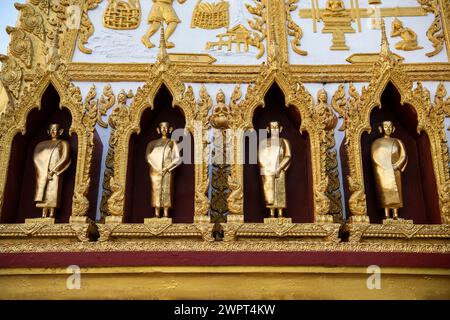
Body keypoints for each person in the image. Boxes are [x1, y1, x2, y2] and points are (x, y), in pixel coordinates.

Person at [371, 121, 408, 220]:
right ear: (381, 128)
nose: (388, 129)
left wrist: (397, 165)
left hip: (395, 170)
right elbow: (374, 157)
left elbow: (403, 156)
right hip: (382, 171)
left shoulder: (398, 141)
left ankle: (395, 214)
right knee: (384, 191)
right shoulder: (377, 142)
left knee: (397, 191)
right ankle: (386, 214)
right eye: (385, 126)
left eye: (390, 127)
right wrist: (383, 167)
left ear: (393, 128)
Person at [33, 123, 71, 218]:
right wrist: (44, 171)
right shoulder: (41, 145)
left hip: (56, 172)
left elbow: (65, 158)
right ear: (48, 131)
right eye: (52, 130)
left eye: (55, 129)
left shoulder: (63, 143)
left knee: (53, 192)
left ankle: (51, 214)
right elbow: (36, 158)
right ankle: (43, 213)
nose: (53, 132)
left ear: (60, 131)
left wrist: (53, 171)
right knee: (43, 191)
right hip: (43, 172)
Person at [146, 122, 181, 218]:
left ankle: (166, 213)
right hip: (155, 171)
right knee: (155, 189)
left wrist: (167, 168)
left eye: (166, 127)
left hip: (167, 170)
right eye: (162, 127)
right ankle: (156, 212)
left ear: (170, 129)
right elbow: (148, 157)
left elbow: (178, 158)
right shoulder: (152, 143)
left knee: (166, 189)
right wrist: (156, 167)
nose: (164, 129)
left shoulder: (172, 142)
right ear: (158, 129)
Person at [258, 121, 292, 218]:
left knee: (279, 190)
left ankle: (280, 212)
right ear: (268, 130)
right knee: (270, 191)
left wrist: (279, 167)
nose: (274, 130)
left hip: (280, 170)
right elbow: (260, 158)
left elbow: (288, 156)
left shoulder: (284, 141)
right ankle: (271, 213)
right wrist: (269, 167)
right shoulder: (263, 142)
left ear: (280, 129)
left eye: (276, 128)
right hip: (268, 170)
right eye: (272, 128)